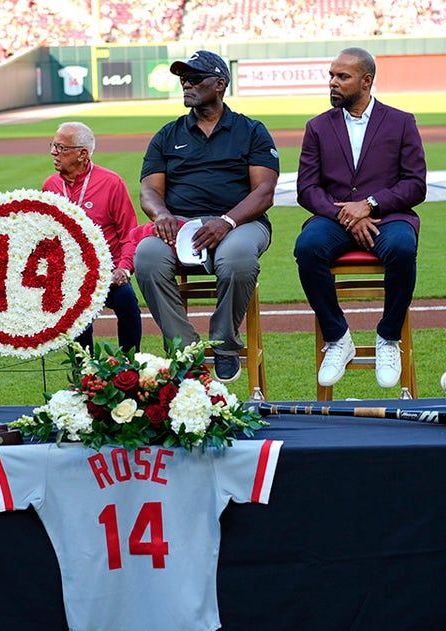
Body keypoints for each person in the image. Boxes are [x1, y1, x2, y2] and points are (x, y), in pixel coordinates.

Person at [134, 50, 279, 383]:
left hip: (240, 222)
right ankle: (185, 350)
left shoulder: (251, 131)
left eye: (195, 78)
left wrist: (226, 222)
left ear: (220, 84)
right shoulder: (167, 135)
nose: (187, 84)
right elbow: (149, 191)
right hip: (183, 224)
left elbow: (263, 192)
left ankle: (224, 344)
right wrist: (162, 214)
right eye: (183, 78)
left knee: (239, 259)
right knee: (147, 257)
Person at [295, 47, 426, 390]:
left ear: (366, 81)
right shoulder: (318, 127)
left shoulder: (401, 122)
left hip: (389, 216)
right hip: (334, 217)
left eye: (342, 77)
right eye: (331, 76)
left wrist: (369, 205)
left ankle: (388, 338)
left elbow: (415, 185)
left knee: (401, 247)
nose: (333, 83)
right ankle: (338, 338)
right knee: (307, 247)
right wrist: (345, 212)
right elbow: (307, 189)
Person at [41, 121, 142, 354]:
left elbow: (130, 233)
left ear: (82, 154)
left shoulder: (111, 182)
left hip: (108, 273)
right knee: (78, 316)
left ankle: (129, 366)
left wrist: (124, 269)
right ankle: (84, 376)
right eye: (53, 146)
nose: (53, 152)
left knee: (127, 303)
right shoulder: (50, 185)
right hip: (72, 277)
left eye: (60, 147)